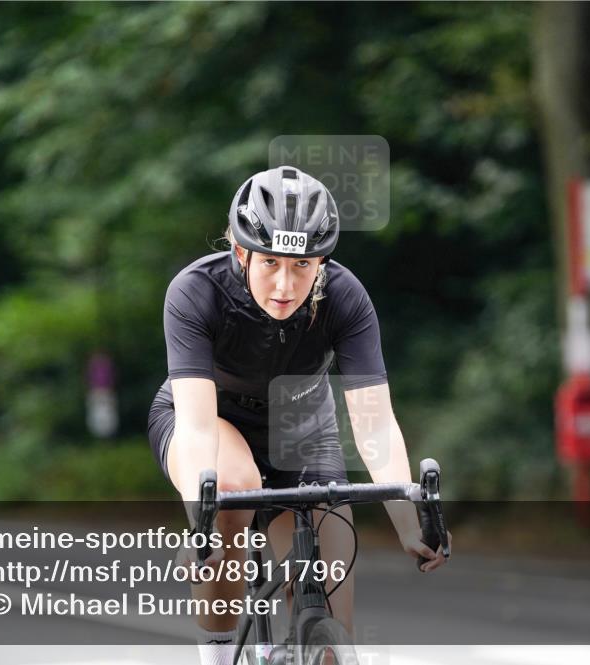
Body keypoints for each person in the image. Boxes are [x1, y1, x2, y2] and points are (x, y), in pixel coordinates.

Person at [148, 166, 450, 665]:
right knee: (234, 489)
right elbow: (198, 426)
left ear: (321, 261)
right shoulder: (196, 291)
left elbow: (374, 423)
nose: (286, 284)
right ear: (240, 252)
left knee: (332, 637)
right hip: (211, 422)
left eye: (303, 265)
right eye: (270, 262)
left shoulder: (345, 297)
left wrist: (407, 521)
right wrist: (201, 521)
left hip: (302, 432)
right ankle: (218, 655)